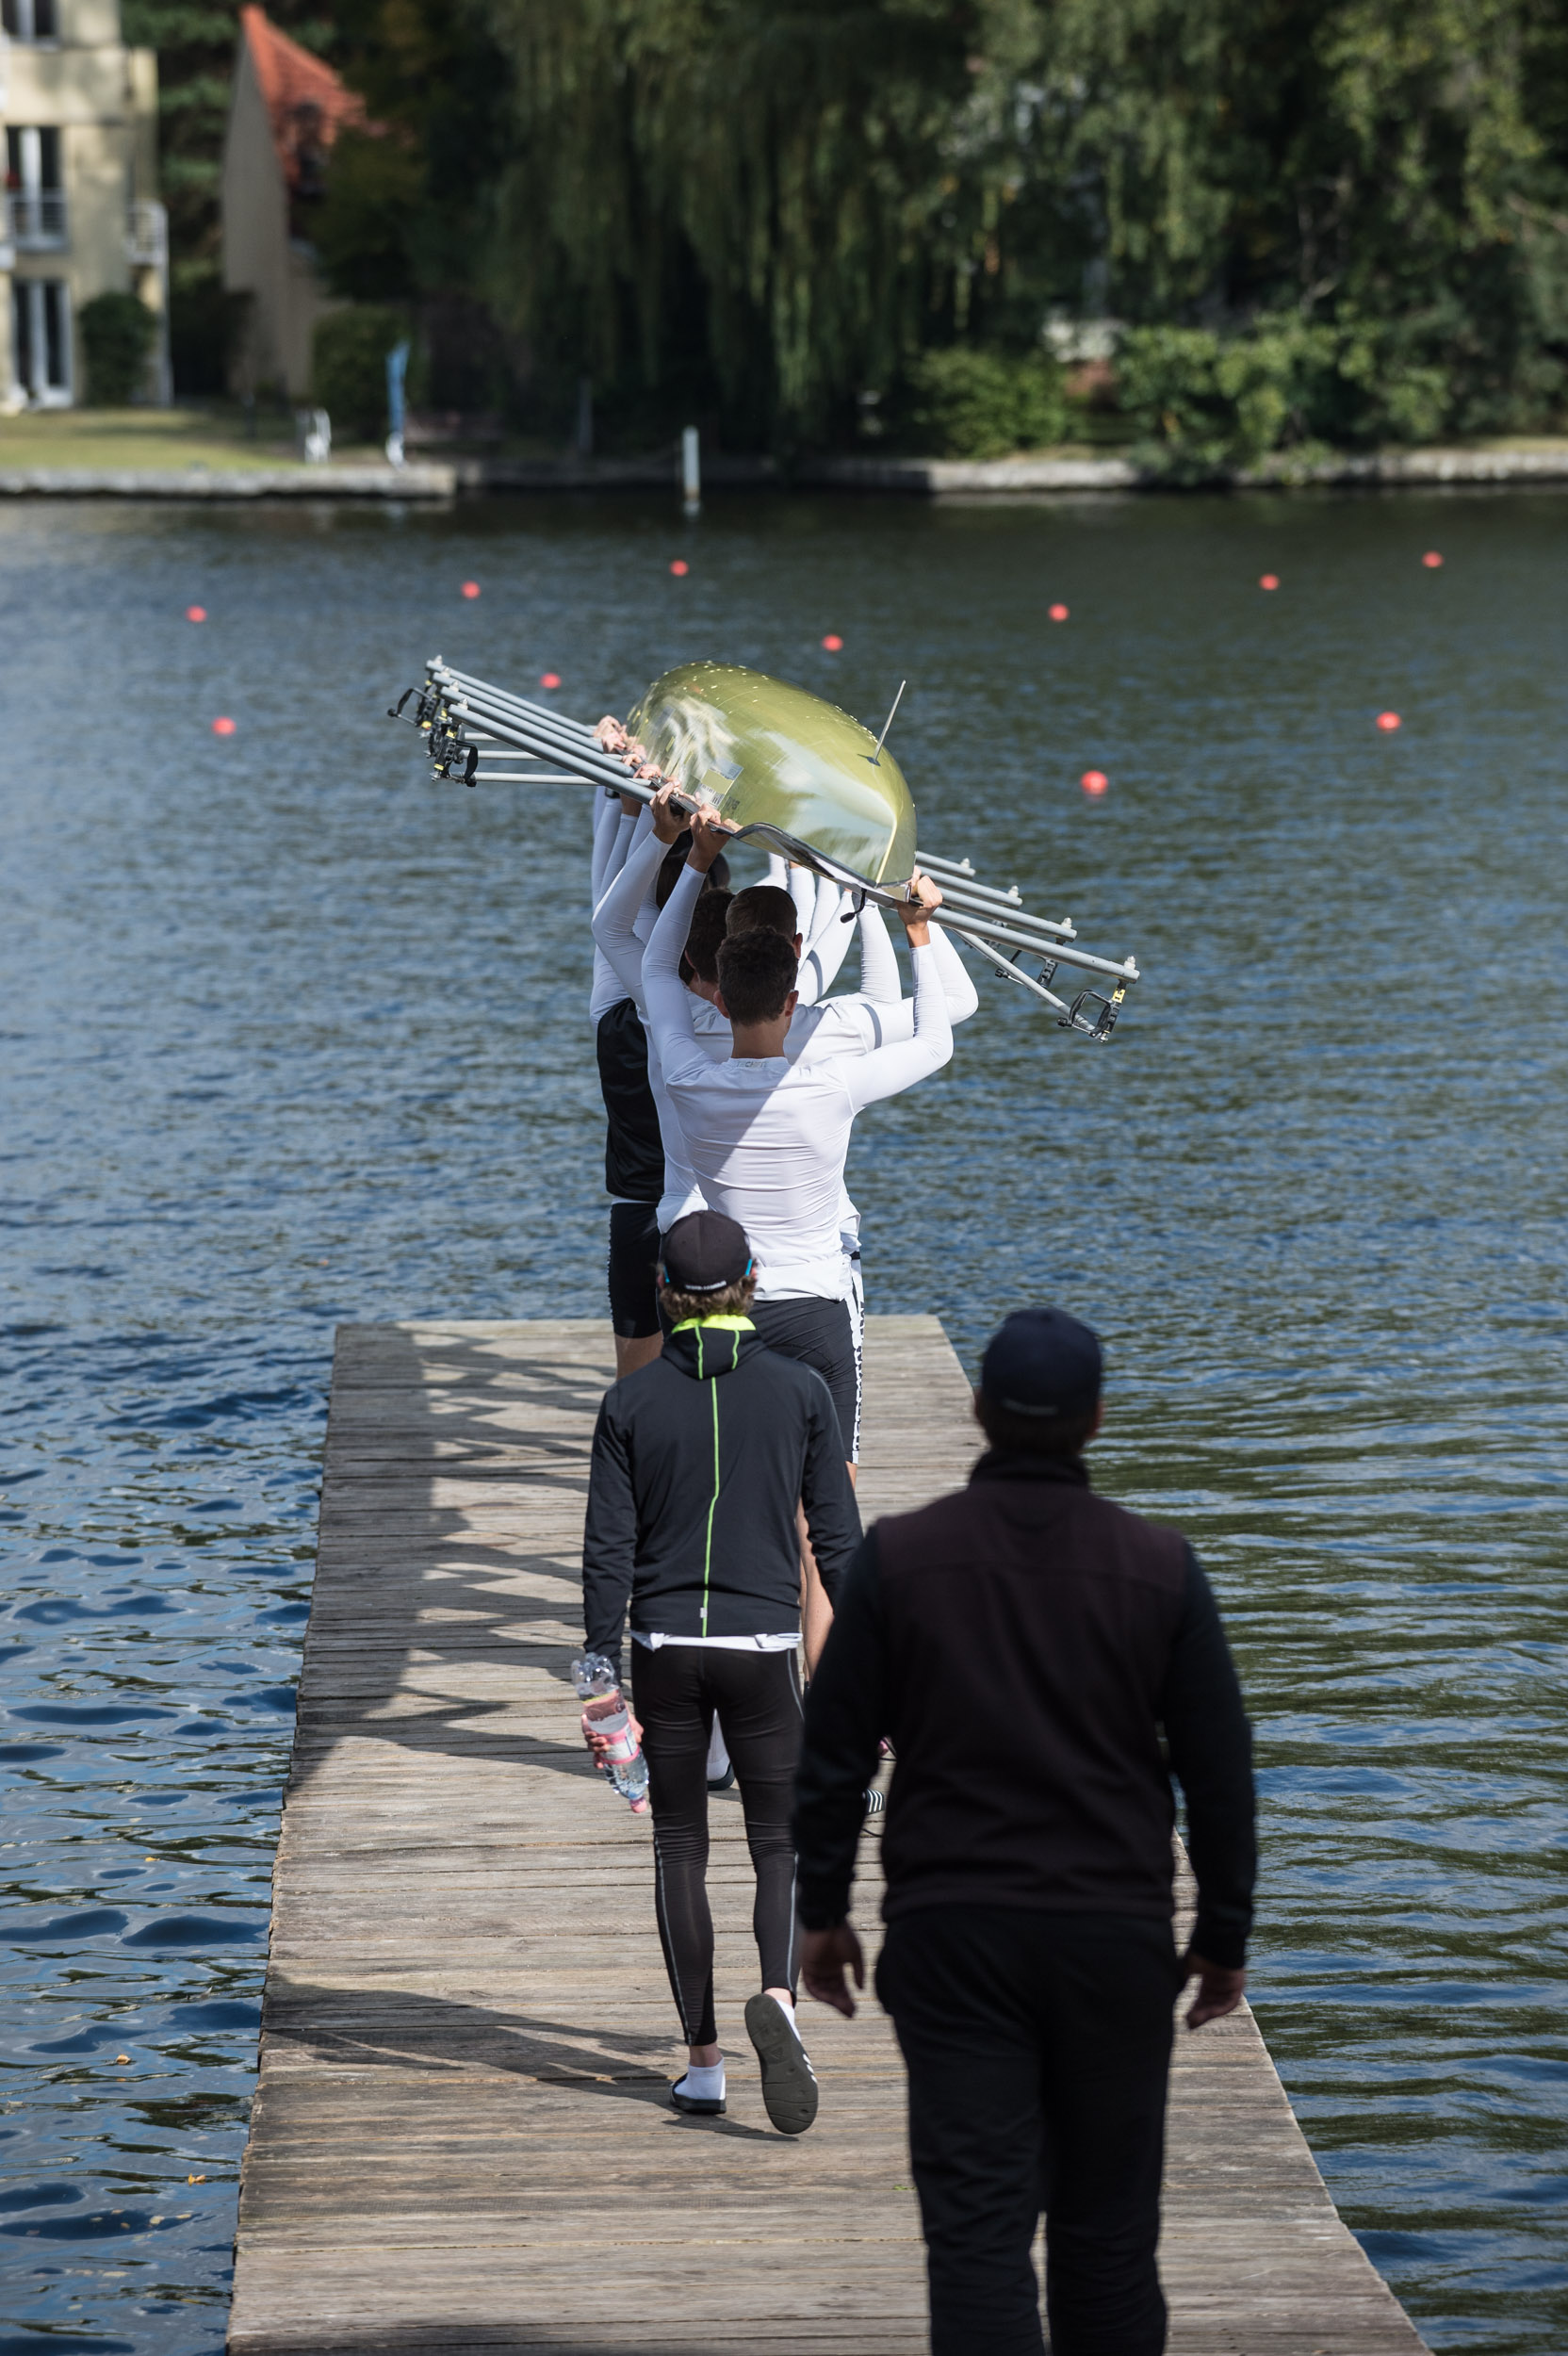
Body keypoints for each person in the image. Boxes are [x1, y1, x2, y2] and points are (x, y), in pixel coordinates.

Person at [792, 1307, 1257, 2356]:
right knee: (1107, 2240)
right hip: (1112, 1939)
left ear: (976, 1412)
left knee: (976, 2237)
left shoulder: (901, 1562)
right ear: (1095, 1419)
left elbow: (829, 1759)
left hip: (952, 1939)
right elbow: (1220, 1778)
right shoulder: (1159, 1568)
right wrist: (1221, 1937)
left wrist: (820, 1914)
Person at [580, 1209, 860, 2135]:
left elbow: (605, 1554)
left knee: (678, 1850)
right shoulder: (801, 1391)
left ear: (665, 1293)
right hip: (761, 1649)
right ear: (752, 1280)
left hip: (664, 1650)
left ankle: (703, 2065)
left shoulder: (627, 1405)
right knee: (778, 1842)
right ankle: (776, 2001)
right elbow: (837, 1541)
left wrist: (599, 1683)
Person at [642, 801, 955, 1491]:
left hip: (728, 1306)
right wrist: (918, 930)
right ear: (793, 1001)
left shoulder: (688, 1077)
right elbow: (937, 1040)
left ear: (720, 1003)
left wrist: (697, 858)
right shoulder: (831, 1087)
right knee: (828, 1504)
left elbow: (658, 971)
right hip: (816, 1309)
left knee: (724, 1487)